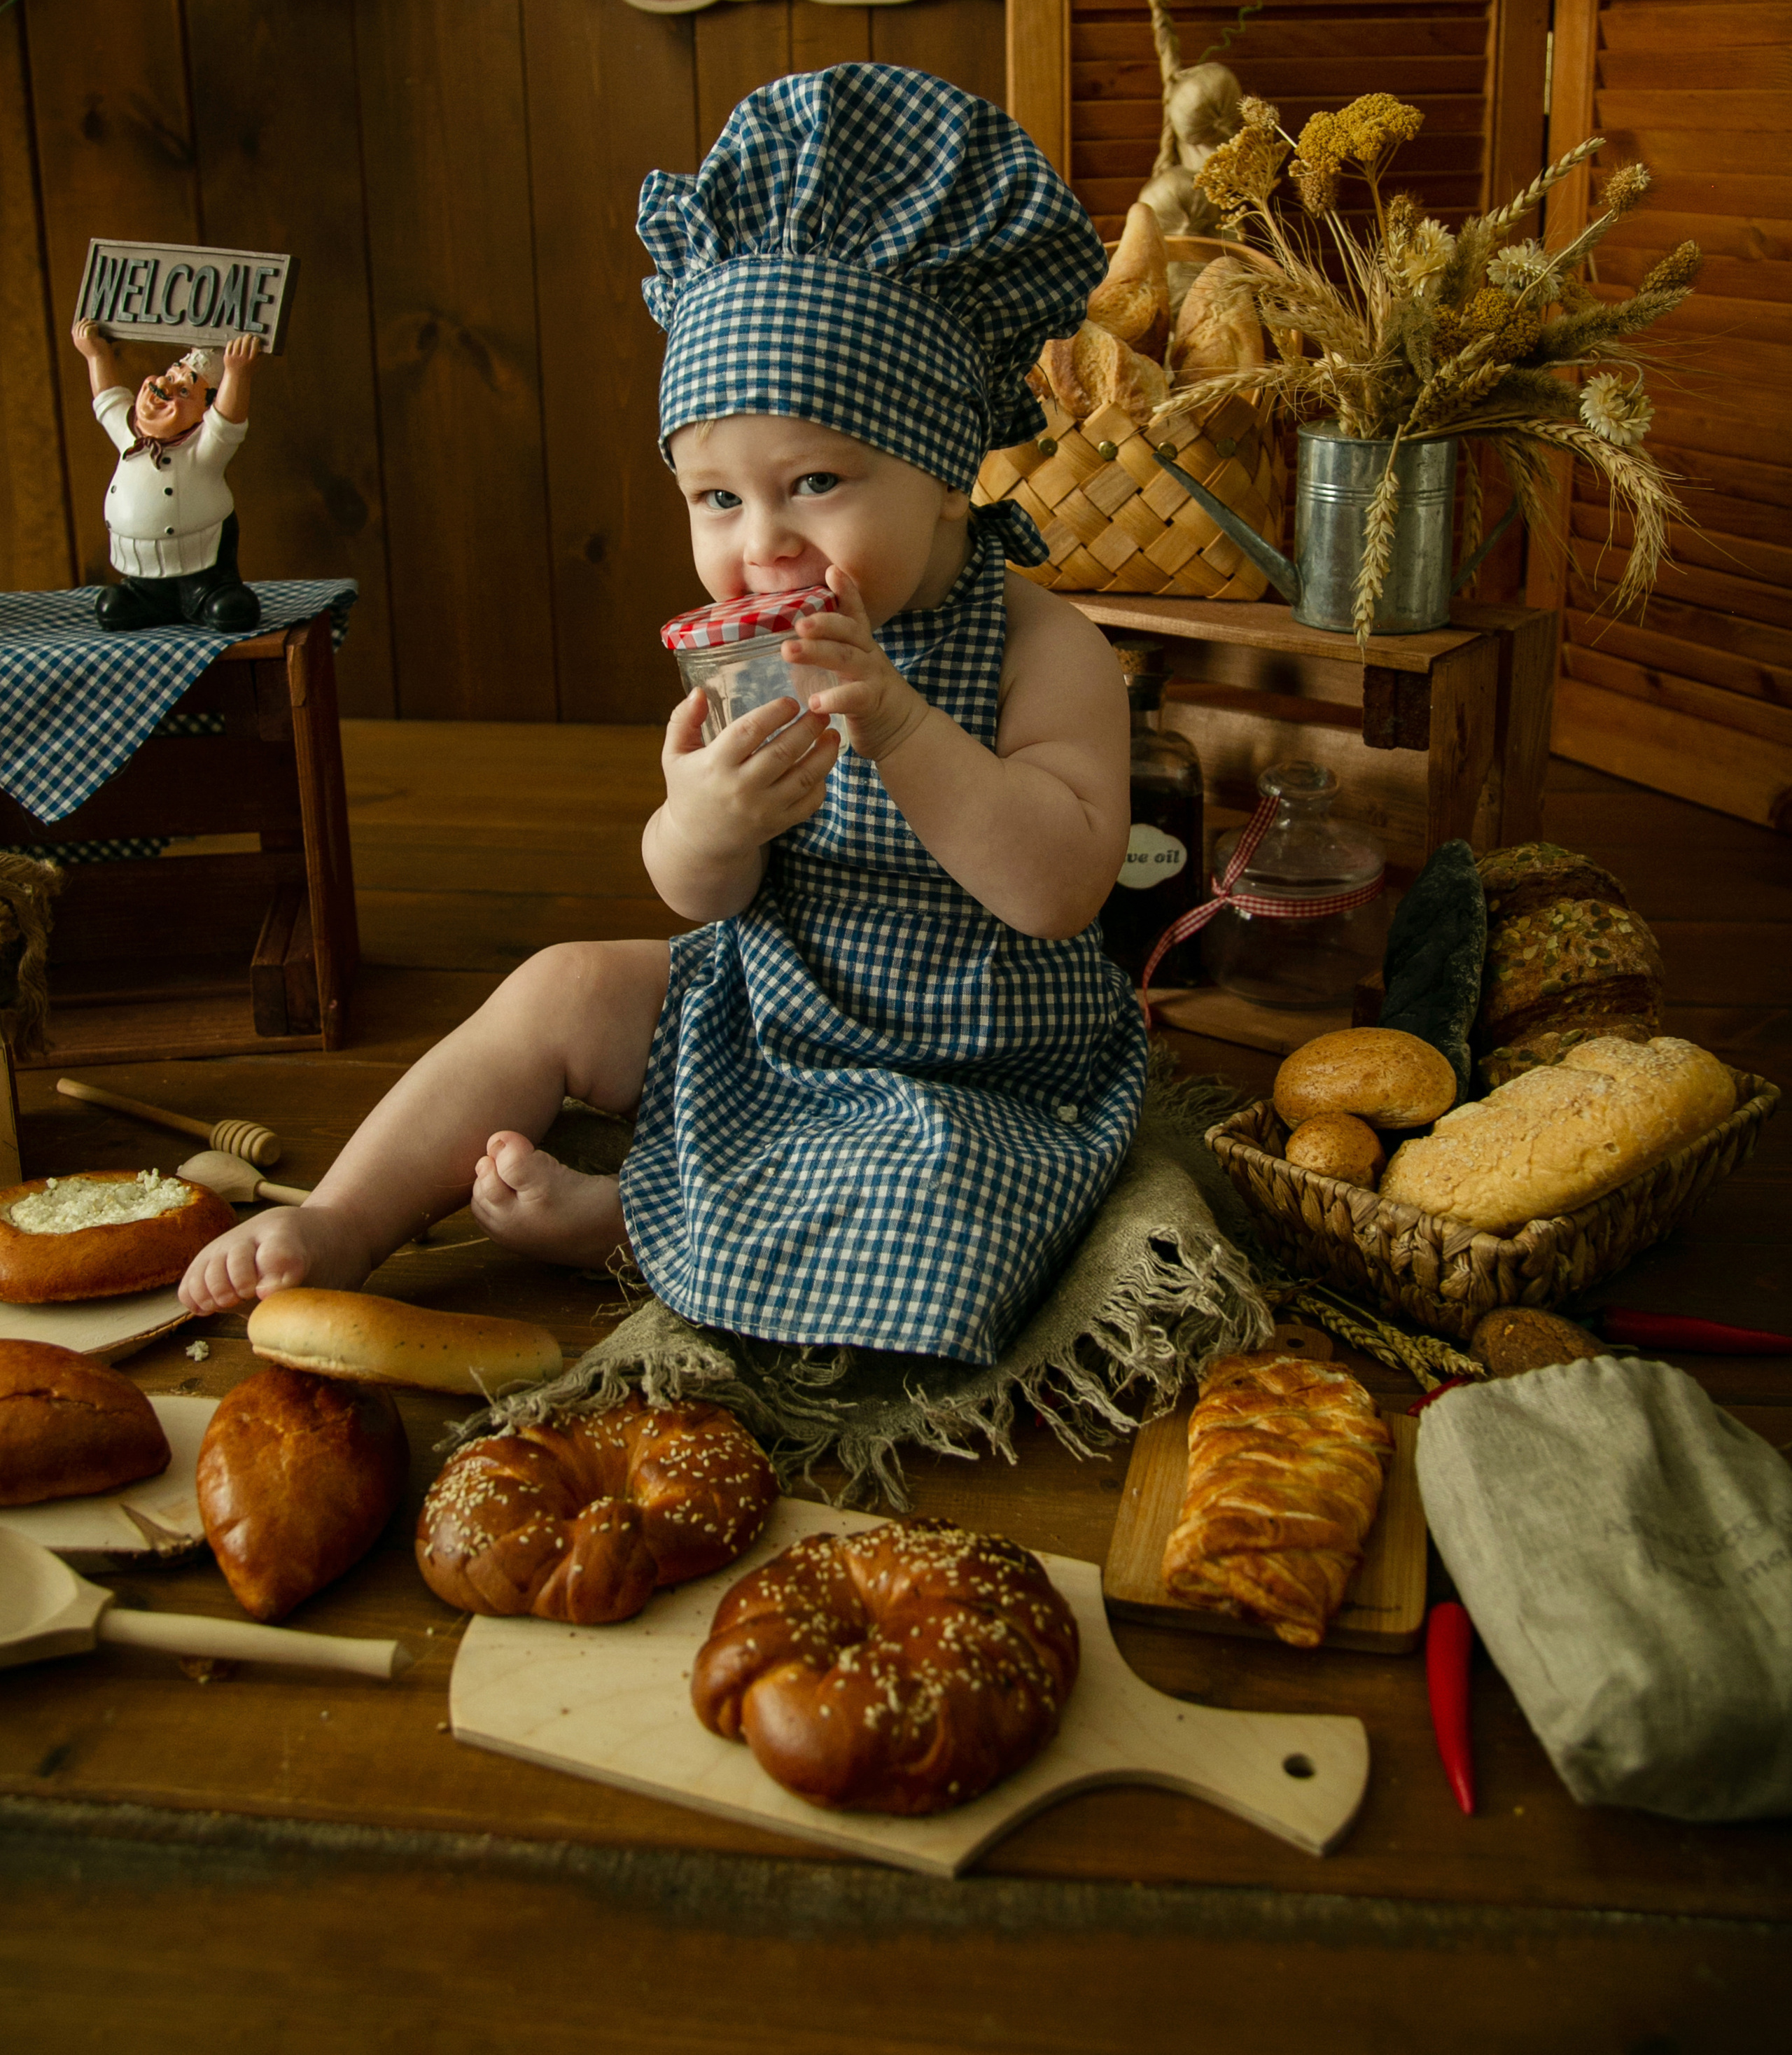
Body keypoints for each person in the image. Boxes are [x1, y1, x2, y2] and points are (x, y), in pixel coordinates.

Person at [178, 66, 1149, 1362]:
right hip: (770, 1003)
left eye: (816, 481)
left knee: (938, 1185)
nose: (764, 543)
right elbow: (699, 896)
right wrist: (709, 820)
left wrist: (907, 729)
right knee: (562, 987)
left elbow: (1059, 893)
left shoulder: (1040, 644)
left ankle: (636, 1224)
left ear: (944, 475)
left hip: (972, 1054)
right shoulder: (753, 656)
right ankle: (349, 1216)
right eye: (717, 499)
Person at [72, 321, 262, 633]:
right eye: (171, 376)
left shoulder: (204, 448)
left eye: (184, 391)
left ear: (206, 410)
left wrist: (237, 374)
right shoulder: (129, 433)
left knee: (230, 610)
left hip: (203, 563)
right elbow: (108, 400)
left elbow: (228, 421)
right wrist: (96, 356)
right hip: (143, 572)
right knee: (113, 608)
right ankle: (147, 598)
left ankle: (208, 595)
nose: (164, 386)